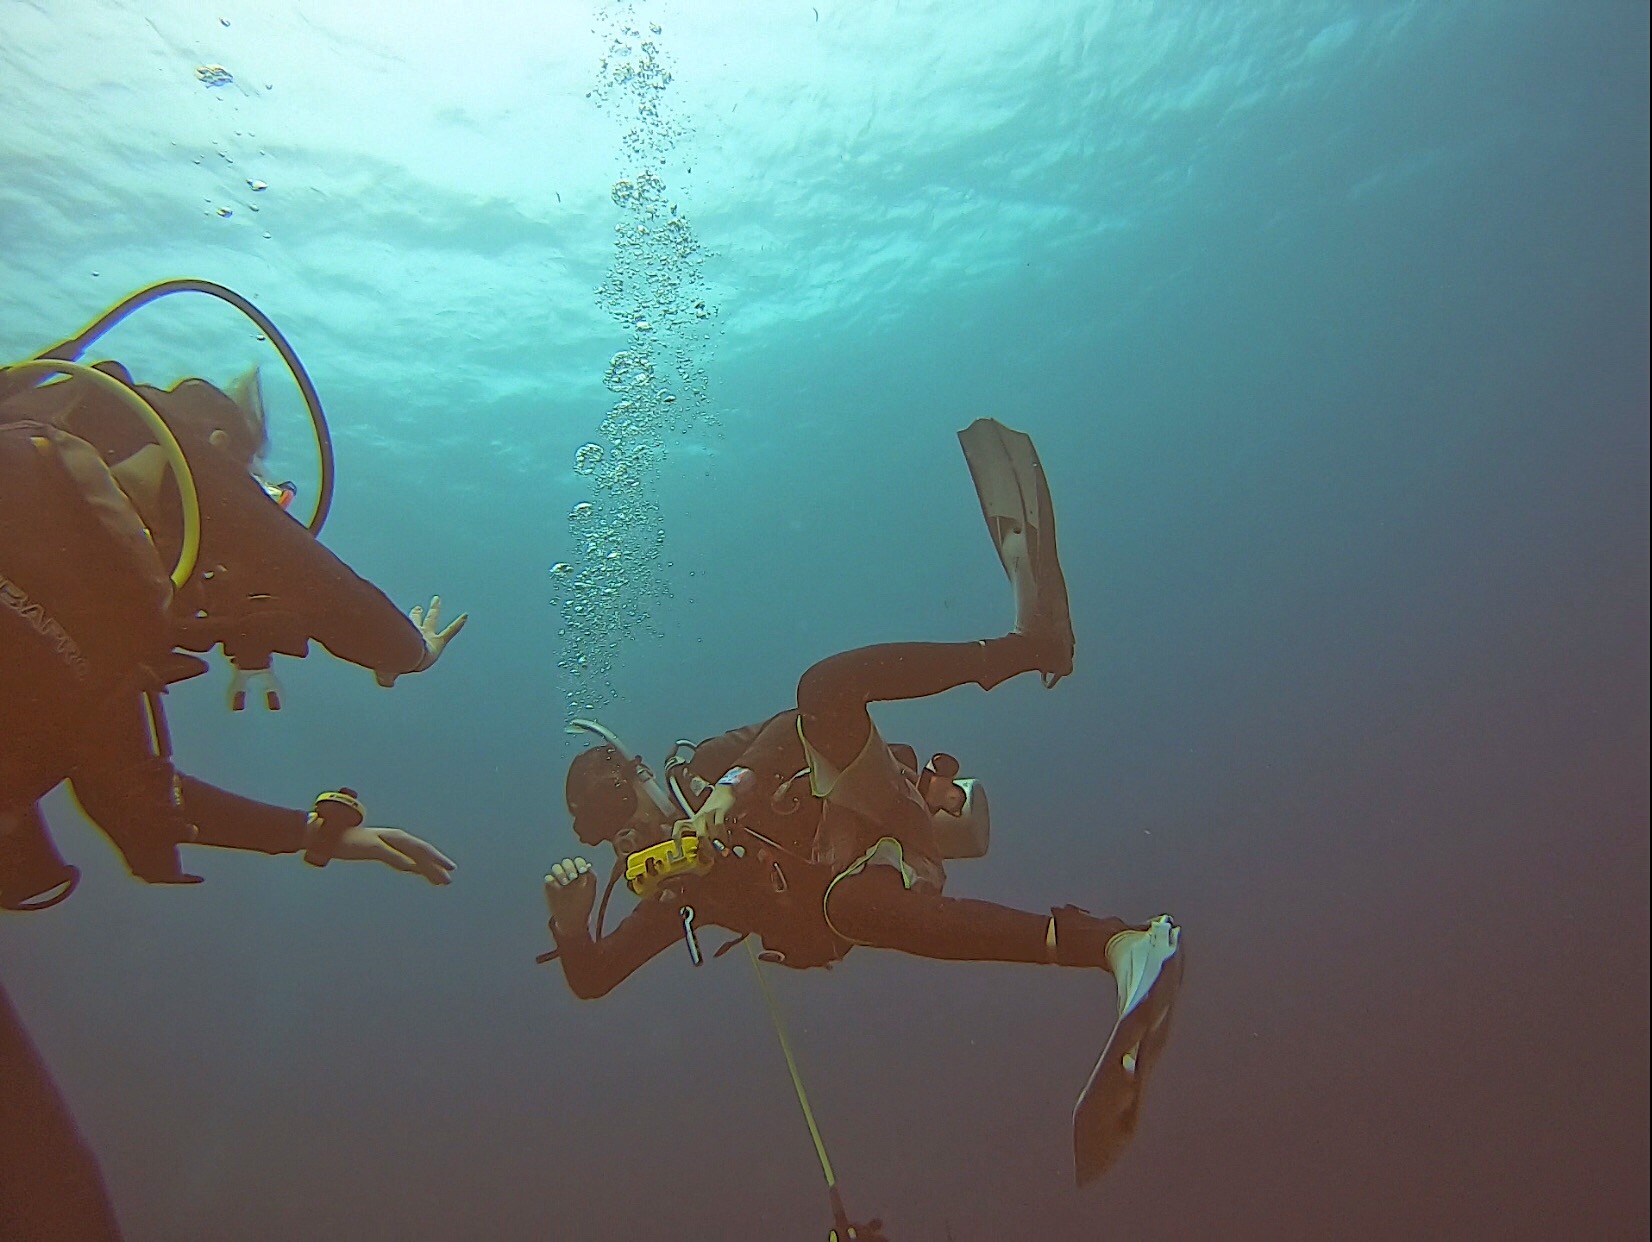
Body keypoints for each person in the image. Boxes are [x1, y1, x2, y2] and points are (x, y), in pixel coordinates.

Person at [544, 419, 1183, 1186]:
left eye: (631, 801)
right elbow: (595, 977)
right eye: (615, 832)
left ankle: (1030, 644)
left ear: (644, 771)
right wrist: (573, 926)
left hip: (884, 805)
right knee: (853, 909)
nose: (639, 829)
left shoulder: (706, 766)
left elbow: (790, 729)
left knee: (822, 688)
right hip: (869, 891)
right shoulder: (683, 895)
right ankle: (1118, 944)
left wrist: (727, 793)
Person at [0, 329, 465, 1235]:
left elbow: (140, 805)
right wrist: (407, 653)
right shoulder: (177, 453)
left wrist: (321, 832)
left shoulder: (84, 580)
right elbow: (328, 592)